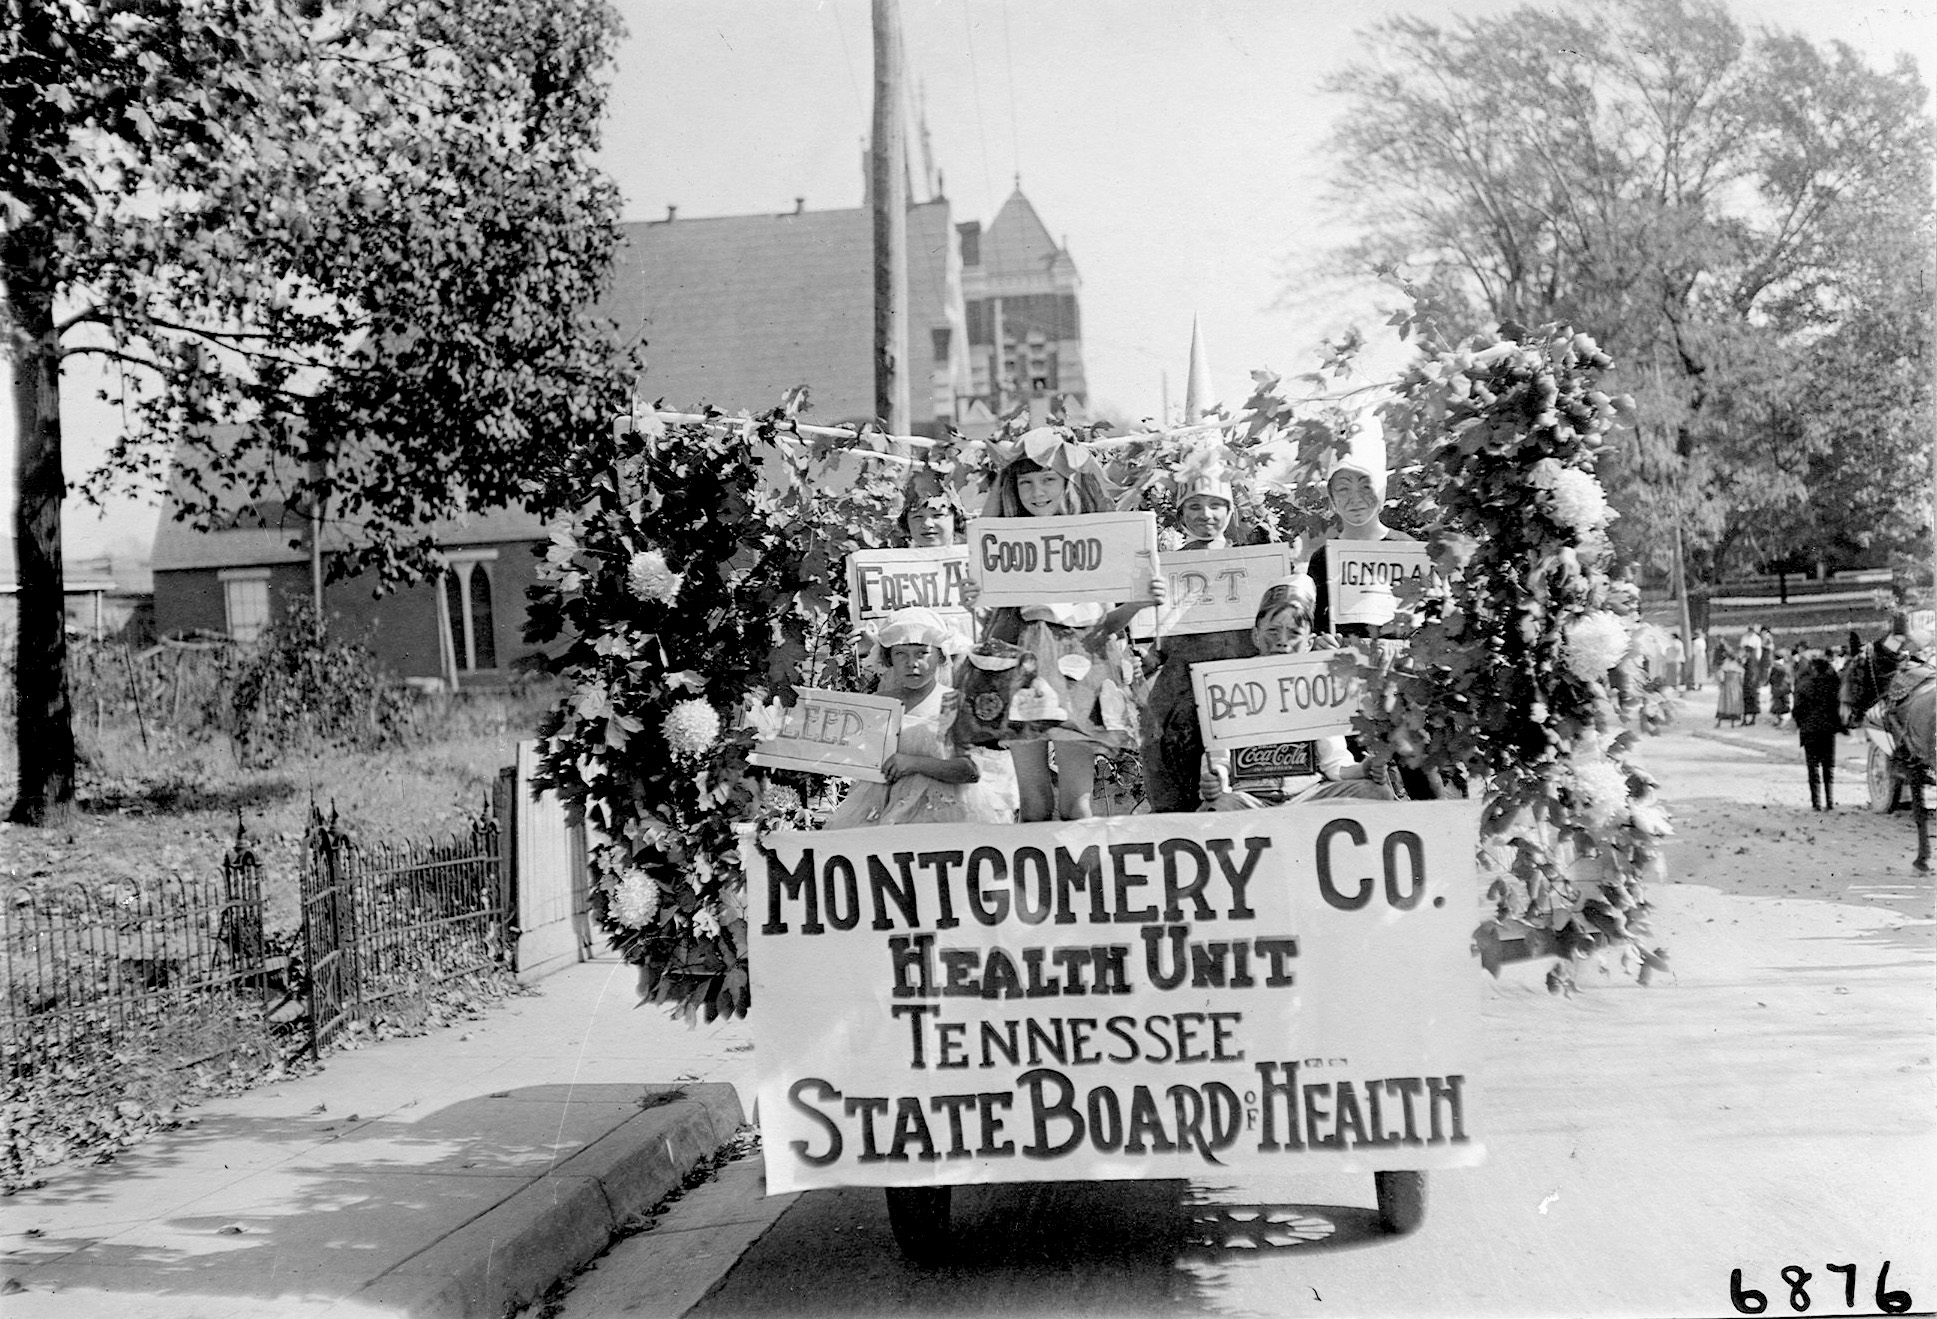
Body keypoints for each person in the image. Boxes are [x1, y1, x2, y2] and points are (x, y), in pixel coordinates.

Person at [961, 430, 1161, 822]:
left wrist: (1140, 599)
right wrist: (974, 596)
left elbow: (1107, 624)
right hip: (1026, 656)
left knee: (1077, 802)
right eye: (1026, 483)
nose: (1037, 492)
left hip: (1082, 659)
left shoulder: (1099, 544)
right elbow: (996, 618)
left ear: (1070, 484)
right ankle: (1035, 880)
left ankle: (1084, 876)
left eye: (1049, 479)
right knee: (1033, 802)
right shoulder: (1004, 544)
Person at [1191, 575, 1393, 807]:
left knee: (1375, 792)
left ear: (1309, 642)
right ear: (1256, 635)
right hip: (1249, 800)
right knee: (1217, 806)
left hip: (1310, 797)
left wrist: (1363, 769)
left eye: (1295, 633)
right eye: (1273, 631)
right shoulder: (1230, 684)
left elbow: (1334, 763)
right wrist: (1215, 780)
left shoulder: (1317, 685)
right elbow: (1218, 759)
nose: (1283, 642)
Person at [1140, 455, 1254, 814]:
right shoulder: (1165, 567)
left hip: (1238, 690)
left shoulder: (1253, 562)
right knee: (1173, 785)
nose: (1206, 514)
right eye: (1195, 506)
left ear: (1230, 512)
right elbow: (1152, 640)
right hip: (1179, 691)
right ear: (1181, 514)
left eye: (1216, 505)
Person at [825, 608, 986, 829]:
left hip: (938, 816)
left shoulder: (953, 703)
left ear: (940, 655)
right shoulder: (879, 702)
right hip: (883, 810)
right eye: (901, 654)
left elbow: (971, 770)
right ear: (888, 658)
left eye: (922, 653)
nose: (912, 663)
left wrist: (913, 764)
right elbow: (859, 758)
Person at [1304, 426, 1417, 637]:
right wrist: (1320, 640)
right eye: (1343, 488)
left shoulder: (1406, 547)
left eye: (1365, 486)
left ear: (1381, 489)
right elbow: (1314, 622)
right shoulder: (1323, 558)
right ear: (1331, 498)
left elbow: (1422, 613)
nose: (1355, 499)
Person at [1791, 650, 1843, 810]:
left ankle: (1816, 802)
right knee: (1828, 767)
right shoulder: (1832, 684)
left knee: (1812, 767)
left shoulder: (1802, 685)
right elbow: (1837, 706)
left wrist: (1801, 724)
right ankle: (1829, 800)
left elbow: (1797, 710)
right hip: (1827, 730)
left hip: (1809, 730)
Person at [1715, 643, 1744, 727]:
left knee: (1724, 703)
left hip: (1727, 684)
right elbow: (1742, 674)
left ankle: (1719, 722)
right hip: (1735, 685)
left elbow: (1720, 673)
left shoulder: (1726, 664)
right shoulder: (1737, 665)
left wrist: (1721, 682)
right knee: (1733, 702)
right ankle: (1732, 723)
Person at [1740, 628, 1764, 725]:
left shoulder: (1751, 660)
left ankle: (1749, 719)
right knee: (1750, 700)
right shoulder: (1751, 660)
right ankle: (1747, 719)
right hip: (1750, 682)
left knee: (1750, 699)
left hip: (1750, 682)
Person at [1767, 647, 1794, 727]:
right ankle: (1781, 720)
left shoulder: (1775, 667)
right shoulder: (1787, 667)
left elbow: (1771, 679)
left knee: (1778, 705)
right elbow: (1790, 678)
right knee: (1783, 704)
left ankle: (1779, 720)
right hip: (1785, 688)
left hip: (1777, 689)